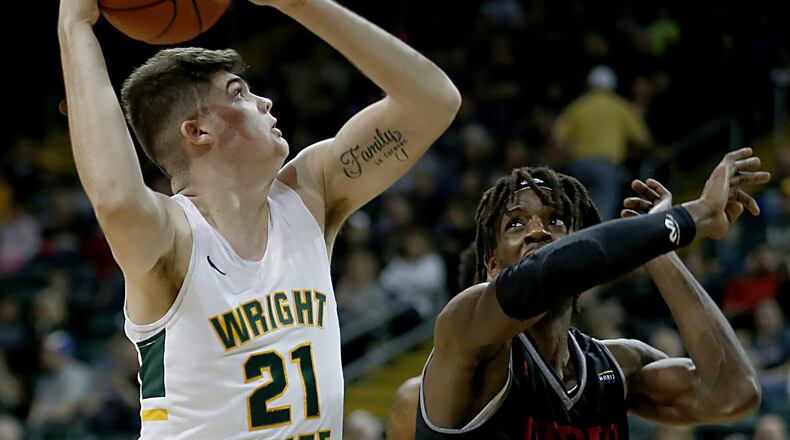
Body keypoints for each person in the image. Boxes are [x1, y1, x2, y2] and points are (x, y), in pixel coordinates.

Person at [57, 0, 461, 437]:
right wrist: (75, 26)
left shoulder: (309, 196)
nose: (265, 101)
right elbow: (116, 199)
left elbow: (434, 102)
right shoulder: (174, 236)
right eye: (238, 93)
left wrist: (301, 4)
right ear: (197, 131)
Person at [388, 148, 770, 439]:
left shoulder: (617, 365)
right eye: (516, 223)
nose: (537, 231)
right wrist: (692, 218)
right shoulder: (468, 333)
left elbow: (733, 394)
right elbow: (550, 271)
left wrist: (658, 249)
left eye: (555, 221)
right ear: (491, 264)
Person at [553, 65, 652, 220]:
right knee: (602, 214)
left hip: (578, 167)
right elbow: (642, 141)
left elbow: (558, 139)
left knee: (578, 210)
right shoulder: (620, 106)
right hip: (605, 168)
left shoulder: (578, 106)